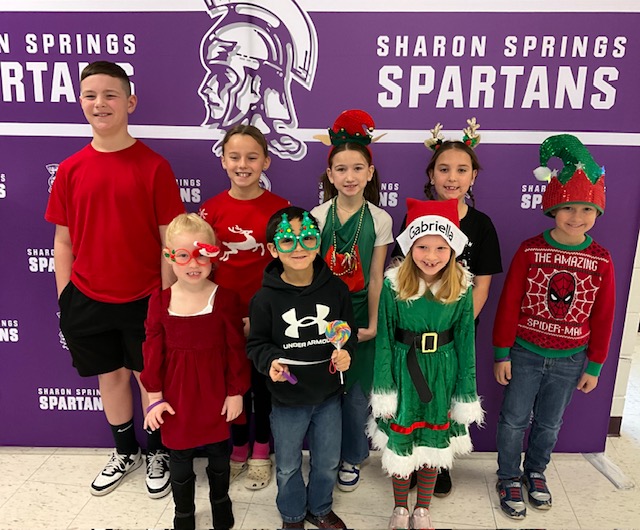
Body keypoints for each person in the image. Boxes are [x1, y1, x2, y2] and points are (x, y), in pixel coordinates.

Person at [45, 61, 184, 498]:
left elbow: (169, 242)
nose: (99, 103)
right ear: (81, 101)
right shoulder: (70, 169)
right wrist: (65, 297)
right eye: (90, 95)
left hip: (145, 297)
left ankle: (158, 451)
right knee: (111, 378)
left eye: (110, 94)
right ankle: (125, 450)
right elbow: (63, 242)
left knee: (150, 378)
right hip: (87, 297)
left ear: (130, 102)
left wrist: (164, 298)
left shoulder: (154, 166)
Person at [493, 134, 615, 520]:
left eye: (585, 209)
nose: (576, 217)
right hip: (525, 353)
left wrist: (594, 365)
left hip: (569, 359)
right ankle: (508, 475)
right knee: (513, 419)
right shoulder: (530, 250)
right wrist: (501, 352)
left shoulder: (601, 259)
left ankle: (537, 472)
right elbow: (509, 303)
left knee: (550, 421)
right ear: (552, 209)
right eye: (568, 208)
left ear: (597, 212)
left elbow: (604, 315)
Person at [391, 118, 502, 497]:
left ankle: (438, 462)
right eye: (444, 169)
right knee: (414, 398)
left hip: (453, 337)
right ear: (431, 174)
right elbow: (398, 276)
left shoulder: (483, 226)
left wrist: (453, 329)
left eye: (461, 169)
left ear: (473, 176)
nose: (452, 177)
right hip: (413, 336)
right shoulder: (414, 219)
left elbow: (482, 286)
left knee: (447, 399)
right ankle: (407, 458)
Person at [369, 198, 484, 530]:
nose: (431, 256)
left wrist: (465, 392)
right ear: (410, 246)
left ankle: (422, 508)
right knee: (403, 444)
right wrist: (385, 388)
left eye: (440, 248)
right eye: (422, 247)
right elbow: (385, 340)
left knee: (433, 446)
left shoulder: (461, 287)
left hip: (443, 374)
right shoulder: (393, 285)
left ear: (452, 250)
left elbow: (465, 341)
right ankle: (400, 508)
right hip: (405, 373)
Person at [247, 206, 356, 529]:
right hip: (287, 398)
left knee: (326, 463)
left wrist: (346, 353)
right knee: (288, 465)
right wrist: (270, 362)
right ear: (272, 248)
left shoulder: (336, 290)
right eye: (287, 241)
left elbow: (347, 334)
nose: (298, 248)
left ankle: (320, 507)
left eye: (308, 238)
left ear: (319, 242)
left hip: (327, 396)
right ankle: (292, 513)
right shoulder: (265, 299)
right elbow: (256, 345)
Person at [141, 213, 250, 530]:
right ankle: (183, 512)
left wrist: (235, 393)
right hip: (176, 399)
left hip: (216, 395)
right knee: (179, 459)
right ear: (169, 257)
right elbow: (152, 353)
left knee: (219, 456)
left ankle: (220, 503)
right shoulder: (159, 303)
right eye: (184, 254)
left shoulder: (226, 299)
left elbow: (235, 352)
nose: (194, 263)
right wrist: (155, 398)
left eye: (202, 253)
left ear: (214, 254)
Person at [199, 124, 289, 491]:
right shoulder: (211, 210)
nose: (243, 164)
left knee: (263, 388)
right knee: (234, 387)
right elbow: (200, 268)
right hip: (225, 320)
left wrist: (261, 318)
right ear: (223, 161)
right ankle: (238, 448)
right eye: (234, 157)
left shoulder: (280, 209)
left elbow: (290, 265)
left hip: (267, 322)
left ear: (265, 161)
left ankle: (261, 452)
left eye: (252, 157)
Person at [310, 109, 393, 492]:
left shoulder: (380, 219)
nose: (349, 177)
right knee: (326, 393)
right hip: (324, 315)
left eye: (357, 168)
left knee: (357, 397)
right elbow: (308, 278)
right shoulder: (317, 216)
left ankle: (351, 457)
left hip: (361, 314)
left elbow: (376, 276)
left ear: (370, 173)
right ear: (330, 175)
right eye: (340, 169)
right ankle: (324, 456)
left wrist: (373, 324)